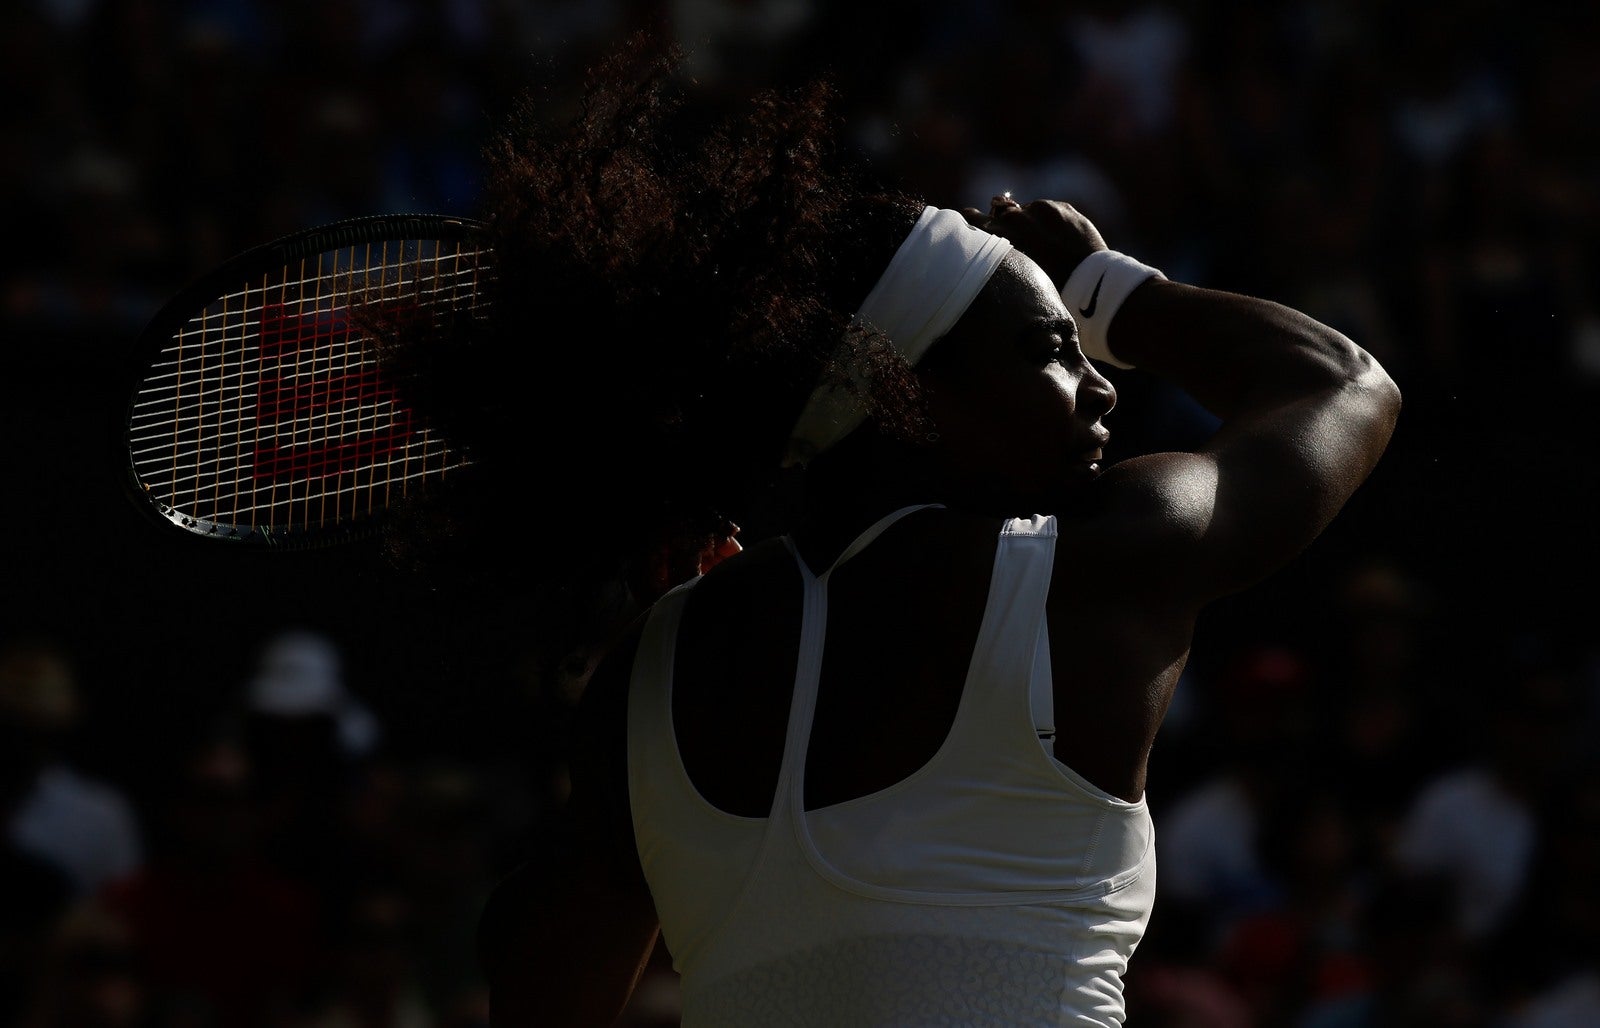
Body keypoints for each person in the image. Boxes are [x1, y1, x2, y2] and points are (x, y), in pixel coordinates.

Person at [386, 35, 1401, 1027]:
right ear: (898, 391)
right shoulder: (1085, 570)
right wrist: (1103, 288)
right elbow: (1341, 383)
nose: (1099, 387)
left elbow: (538, 984)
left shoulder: (648, 677)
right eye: (1050, 351)